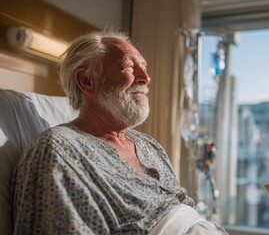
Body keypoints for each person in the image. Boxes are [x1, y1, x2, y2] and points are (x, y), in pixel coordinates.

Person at [11, 30, 228, 235]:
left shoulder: (149, 145)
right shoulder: (59, 149)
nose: (146, 77)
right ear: (87, 81)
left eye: (144, 67)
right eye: (129, 67)